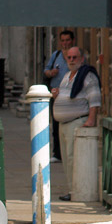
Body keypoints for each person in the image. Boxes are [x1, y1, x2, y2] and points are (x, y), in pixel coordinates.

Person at [52, 46, 101, 201]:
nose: (72, 60)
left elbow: (94, 97)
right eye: (69, 58)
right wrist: (57, 96)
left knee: (73, 157)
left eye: (75, 57)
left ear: (81, 59)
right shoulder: (67, 75)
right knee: (66, 159)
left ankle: (76, 191)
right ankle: (71, 189)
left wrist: (91, 119)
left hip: (76, 121)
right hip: (63, 123)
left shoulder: (87, 76)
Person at [43, 30, 74, 162]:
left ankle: (69, 152)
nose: (65, 43)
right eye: (63, 41)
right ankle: (57, 153)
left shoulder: (74, 55)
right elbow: (46, 70)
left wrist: (68, 58)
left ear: (72, 41)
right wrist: (50, 73)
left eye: (67, 40)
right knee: (55, 124)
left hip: (71, 95)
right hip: (56, 95)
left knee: (70, 123)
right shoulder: (56, 55)